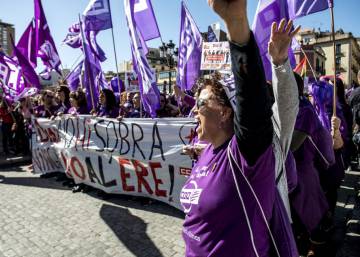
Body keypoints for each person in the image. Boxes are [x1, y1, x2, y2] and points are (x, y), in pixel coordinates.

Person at [180, 1, 299, 256]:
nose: (193, 110)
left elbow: (255, 103)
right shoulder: (210, 150)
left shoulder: (248, 155)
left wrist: (236, 25)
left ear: (225, 112)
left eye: (201, 103)